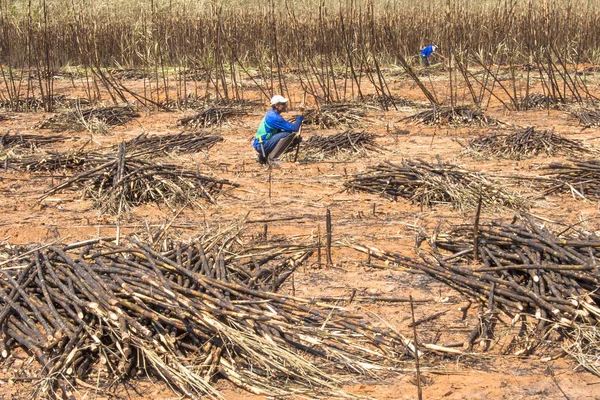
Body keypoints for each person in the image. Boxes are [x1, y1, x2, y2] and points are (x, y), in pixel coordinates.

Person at [253, 95, 303, 165]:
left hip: (261, 144)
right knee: (288, 135)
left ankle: (264, 157)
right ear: (276, 106)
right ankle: (272, 159)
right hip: (261, 145)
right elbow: (294, 128)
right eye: (283, 104)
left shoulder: (271, 114)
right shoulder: (274, 117)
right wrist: (300, 116)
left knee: (290, 136)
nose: (285, 106)